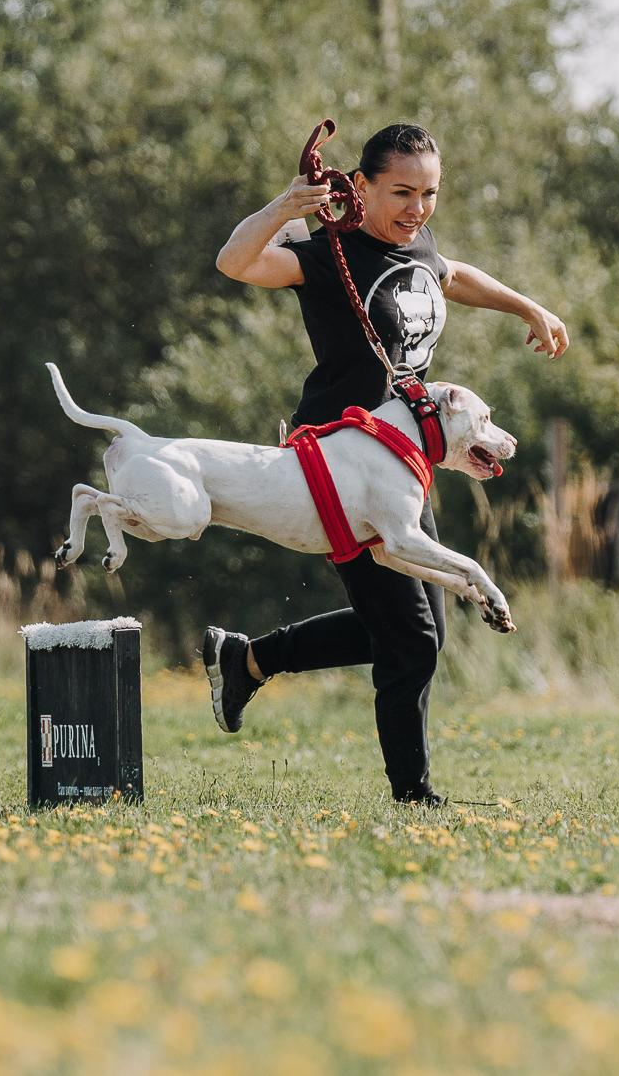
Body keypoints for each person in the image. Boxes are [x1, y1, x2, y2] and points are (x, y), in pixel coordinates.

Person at [208, 123, 568, 805]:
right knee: (411, 640)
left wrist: (527, 305)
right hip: (339, 468)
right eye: (401, 192)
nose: (417, 208)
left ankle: (246, 659)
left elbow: (451, 274)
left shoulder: (418, 244)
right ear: (361, 186)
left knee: (404, 630)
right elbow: (236, 263)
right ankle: (414, 796)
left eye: (429, 193)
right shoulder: (325, 255)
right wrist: (285, 208)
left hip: (402, 467)